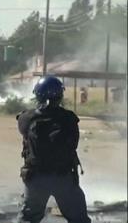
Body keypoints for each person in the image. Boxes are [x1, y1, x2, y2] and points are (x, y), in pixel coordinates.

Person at [16, 76, 91, 223]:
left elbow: (23, 130)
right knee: (80, 220)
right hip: (63, 178)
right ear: (60, 96)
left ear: (37, 95)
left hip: (36, 178)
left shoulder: (27, 118)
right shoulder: (69, 118)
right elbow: (73, 144)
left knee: (28, 219)